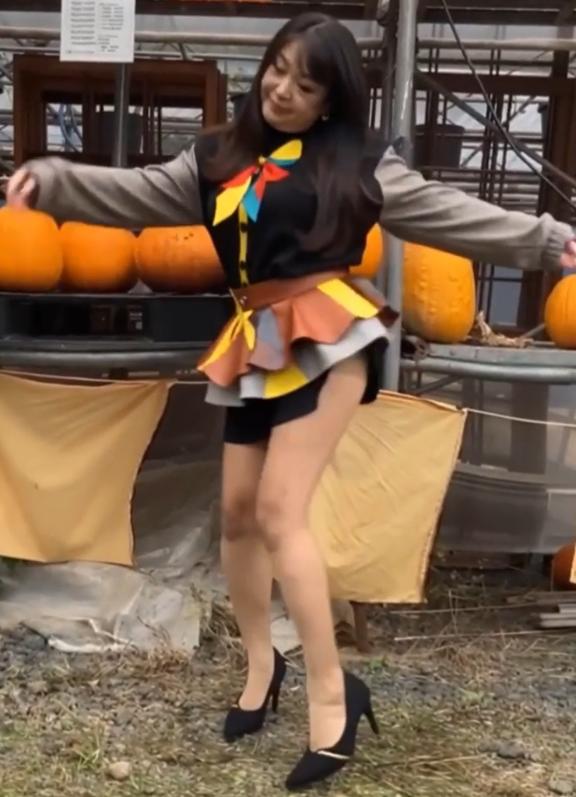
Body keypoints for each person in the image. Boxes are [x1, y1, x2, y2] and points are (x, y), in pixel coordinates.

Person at [6, 12, 576, 791]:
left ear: (330, 99)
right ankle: (260, 666)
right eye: (278, 69)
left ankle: (334, 697)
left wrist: (549, 241)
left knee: (280, 510)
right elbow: (136, 195)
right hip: (254, 338)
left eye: (305, 84)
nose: (282, 89)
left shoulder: (360, 162)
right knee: (239, 514)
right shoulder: (216, 157)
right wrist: (53, 179)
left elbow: (451, 213)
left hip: (329, 334)